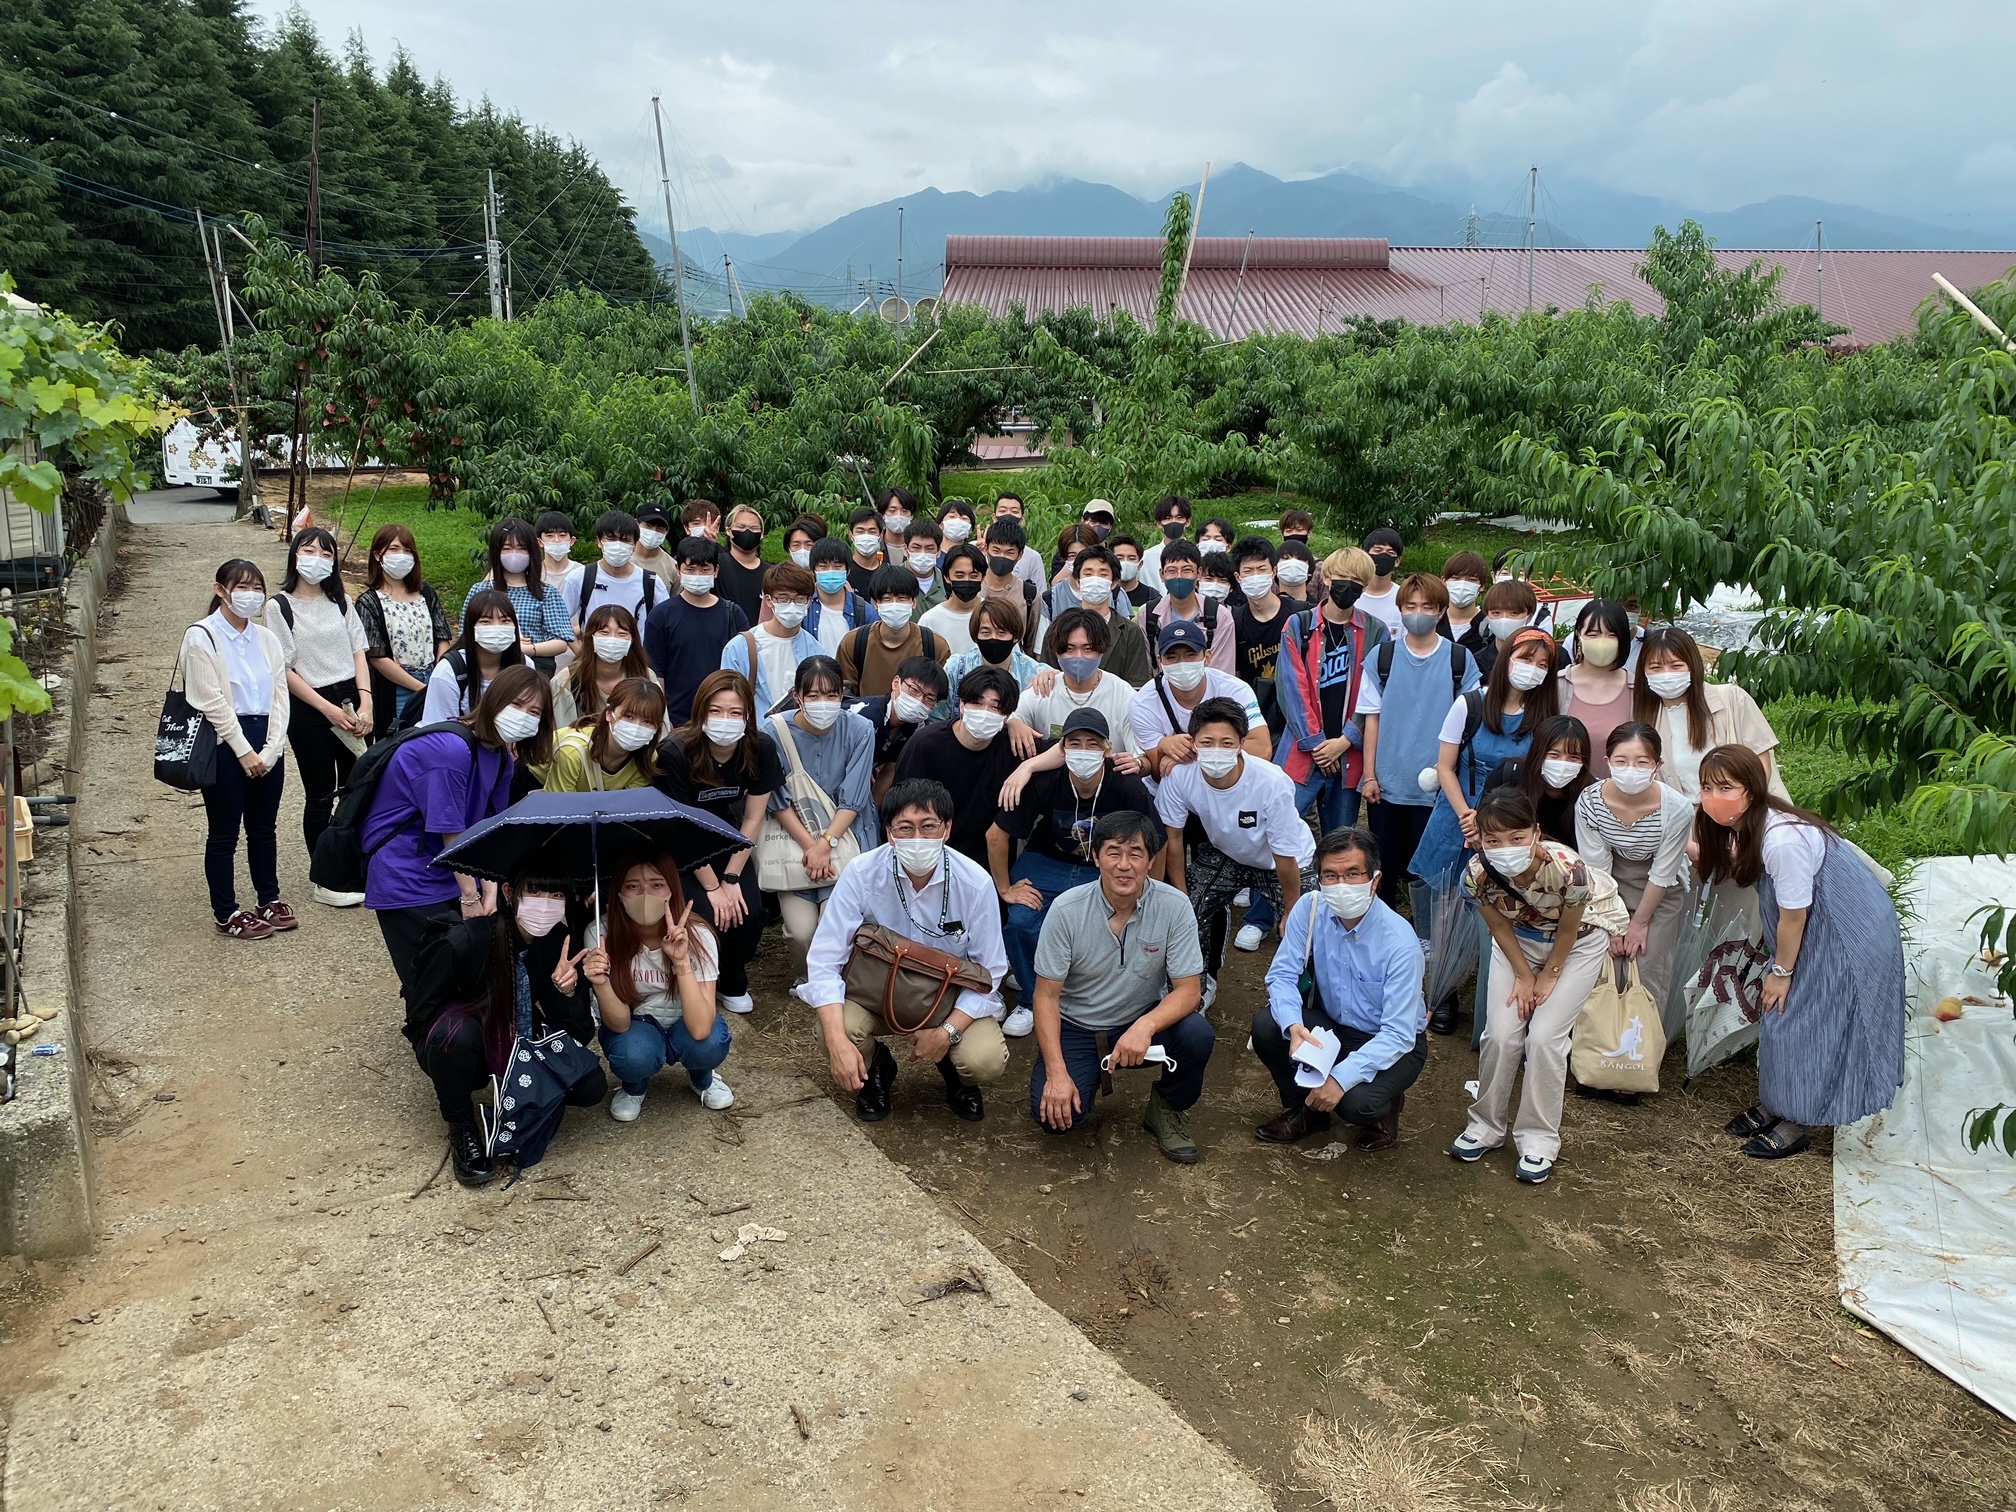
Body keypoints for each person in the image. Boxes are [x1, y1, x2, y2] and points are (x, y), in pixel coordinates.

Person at [1694, 744, 1905, 1160]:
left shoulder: (1782, 839)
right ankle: (1777, 1103)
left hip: (1845, 933)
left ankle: (1798, 1121)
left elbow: (1794, 916)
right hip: (1816, 928)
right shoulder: (1748, 825)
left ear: (1751, 791)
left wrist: (1782, 971)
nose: (1712, 796)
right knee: (1782, 1015)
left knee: (1806, 1018)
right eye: (1705, 786)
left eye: (1725, 786)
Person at [799, 778, 1011, 1121]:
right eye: (905, 827)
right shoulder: (861, 873)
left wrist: (947, 1032)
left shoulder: (975, 883)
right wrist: (838, 1042)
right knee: (833, 1032)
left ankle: (955, 1072)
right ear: (889, 832)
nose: (917, 838)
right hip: (875, 992)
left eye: (929, 827)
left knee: (983, 1061)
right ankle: (877, 1068)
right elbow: (824, 959)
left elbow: (992, 972)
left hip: (947, 999)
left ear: (947, 829)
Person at [1449, 787, 1629, 1184]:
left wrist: (1548, 975)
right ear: (1479, 839)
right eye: (1492, 840)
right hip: (1517, 944)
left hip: (1577, 944)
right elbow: (1497, 926)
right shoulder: (1476, 874)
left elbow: (1569, 929)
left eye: (1516, 838)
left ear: (1536, 833)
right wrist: (1525, 975)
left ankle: (1539, 1140)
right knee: (1500, 1034)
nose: (1505, 848)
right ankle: (1485, 1125)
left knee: (1545, 1038)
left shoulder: (1569, 869)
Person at [401, 867, 606, 1186]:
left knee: (591, 1085)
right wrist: (439, 1055)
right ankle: (461, 1125)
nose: (546, 903)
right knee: (454, 1035)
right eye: (536, 892)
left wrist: (568, 991)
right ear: (510, 892)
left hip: (521, 1036)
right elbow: (421, 1008)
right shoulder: (467, 938)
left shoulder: (557, 943)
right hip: (468, 1039)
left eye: (556, 895)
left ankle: (524, 1102)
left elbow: (576, 1034)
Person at [1030, 810, 1211, 1163]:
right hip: (1077, 1026)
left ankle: (1167, 1106)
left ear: (1151, 859)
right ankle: (1074, 1069)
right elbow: (1046, 995)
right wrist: (1057, 1073)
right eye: (1113, 852)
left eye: (1136, 853)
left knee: (1196, 1033)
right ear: (1096, 857)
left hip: (1136, 1019)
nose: (1124, 865)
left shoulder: (1174, 906)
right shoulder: (1066, 910)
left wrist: (1144, 1026)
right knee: (1056, 1121)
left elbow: (1190, 990)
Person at [364, 666, 555, 1000]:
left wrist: (491, 891)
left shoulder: (501, 757)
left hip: (450, 868)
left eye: (534, 712)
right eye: (517, 704)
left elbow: (489, 830)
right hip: (407, 870)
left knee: (466, 963)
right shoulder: (450, 748)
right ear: (494, 699)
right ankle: (436, 1039)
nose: (523, 716)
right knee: (429, 974)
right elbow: (450, 830)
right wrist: (472, 897)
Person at [1409, 626, 1562, 1035]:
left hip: (1512, 827)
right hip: (1459, 816)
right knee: (1447, 908)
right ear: (1506, 658)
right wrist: (1467, 816)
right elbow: (1445, 765)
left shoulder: (1546, 716)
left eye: (1543, 665)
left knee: (1502, 911)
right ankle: (1441, 993)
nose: (1533, 670)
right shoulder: (1471, 704)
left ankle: (1496, 1000)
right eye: (1525, 659)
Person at [1252, 827, 1428, 1152]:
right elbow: (1281, 975)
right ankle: (1306, 1111)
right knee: (1267, 1027)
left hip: (1390, 1041)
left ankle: (1385, 1108)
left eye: (1352, 874)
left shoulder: (1399, 943)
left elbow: (1400, 1033)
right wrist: (1294, 1026)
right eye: (1330, 875)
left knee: (1355, 1104)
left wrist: (1339, 1079)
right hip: (1332, 1026)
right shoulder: (1311, 907)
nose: (1341, 885)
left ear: (1375, 880)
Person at [991, 708, 1158, 1034]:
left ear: (1107, 748)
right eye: (1075, 743)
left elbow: (1155, 840)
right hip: (1047, 859)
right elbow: (996, 835)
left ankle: (1097, 997)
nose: (1083, 751)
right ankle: (1030, 998)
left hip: (1102, 866)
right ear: (1062, 749)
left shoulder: (1126, 783)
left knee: (1107, 925)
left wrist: (1149, 887)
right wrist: (1004, 889)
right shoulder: (1046, 778)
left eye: (1092, 744)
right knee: (1022, 921)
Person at [1158, 698, 1317, 1001]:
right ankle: (1193, 991)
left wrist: (1291, 909)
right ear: (1192, 742)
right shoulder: (1179, 776)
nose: (1216, 750)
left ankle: (1300, 1000)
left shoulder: (1271, 783)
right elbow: (1173, 840)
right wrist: (1180, 895)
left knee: (1308, 928)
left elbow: (1285, 856)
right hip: (1229, 854)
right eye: (1207, 741)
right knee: (1186, 910)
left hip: (1284, 864)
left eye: (1226, 742)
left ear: (1242, 743)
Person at [1355, 571, 1480, 908]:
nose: (1418, 613)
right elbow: (1372, 719)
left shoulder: (1458, 659)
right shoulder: (1383, 658)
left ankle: (1426, 934)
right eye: (1410, 606)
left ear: (1441, 611)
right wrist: (1369, 775)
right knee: (1384, 863)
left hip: (1437, 785)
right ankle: (1381, 921)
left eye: (1427, 606)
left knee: (1429, 868)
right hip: (1388, 783)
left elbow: (1470, 722)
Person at [182, 558, 292, 940]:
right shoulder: (202, 637)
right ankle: (226, 912)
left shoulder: (267, 638)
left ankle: (268, 897)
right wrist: (244, 750)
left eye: (256, 588)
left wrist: (273, 748)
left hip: (266, 739)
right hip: (224, 740)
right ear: (221, 590)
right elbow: (210, 701)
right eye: (241, 587)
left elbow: (280, 695)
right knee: (224, 832)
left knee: (264, 828)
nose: (250, 595)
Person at [654, 669, 775, 1014]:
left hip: (728, 834)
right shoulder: (676, 752)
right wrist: (712, 886)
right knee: (707, 912)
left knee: (748, 912)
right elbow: (681, 826)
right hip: (681, 839)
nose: (726, 720)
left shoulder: (761, 747)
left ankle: (732, 978)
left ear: (748, 716)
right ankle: (695, 979)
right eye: (716, 711)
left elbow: (753, 818)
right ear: (700, 713)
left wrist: (732, 878)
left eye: (735, 712)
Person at [584, 853, 734, 1120]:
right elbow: (618, 1025)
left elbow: (700, 1028)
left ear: (672, 890)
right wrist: (601, 983)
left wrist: (681, 961)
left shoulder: (699, 935)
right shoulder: (600, 935)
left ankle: (702, 1078)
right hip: (635, 1026)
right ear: (618, 894)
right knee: (631, 1055)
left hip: (686, 1024)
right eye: (632, 886)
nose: (644, 895)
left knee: (709, 1043)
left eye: (656, 884)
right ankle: (634, 1085)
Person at [264, 527, 372, 898]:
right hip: (311, 706)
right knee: (321, 793)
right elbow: (285, 669)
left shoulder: (342, 602)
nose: (318, 559)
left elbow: (359, 651)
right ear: (295, 555)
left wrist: (366, 701)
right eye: (310, 550)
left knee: (358, 787)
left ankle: (354, 865)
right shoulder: (279, 607)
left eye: (327, 554)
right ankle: (324, 878)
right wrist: (327, 710)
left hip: (351, 699)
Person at [1575, 721, 1694, 1038]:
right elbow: (1596, 867)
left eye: (1642, 762)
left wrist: (1638, 923)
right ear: (1607, 761)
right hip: (1608, 884)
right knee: (1605, 962)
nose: (1631, 770)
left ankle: (1638, 1061)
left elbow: (1665, 872)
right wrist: (1612, 923)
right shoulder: (1590, 802)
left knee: (1649, 966)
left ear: (1657, 765)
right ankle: (1599, 1053)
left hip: (1661, 891)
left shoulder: (1678, 809)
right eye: (1622, 761)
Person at [761, 656, 878, 963]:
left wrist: (826, 845)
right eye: (812, 695)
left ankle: (836, 980)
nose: (822, 703)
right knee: (801, 932)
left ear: (843, 695)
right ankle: (806, 977)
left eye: (831, 695)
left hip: (846, 836)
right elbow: (776, 800)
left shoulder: (861, 729)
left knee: (836, 925)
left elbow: (853, 797)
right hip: (793, 840)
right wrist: (812, 848)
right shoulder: (773, 732)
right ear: (796, 695)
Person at [1276, 556, 1387, 834]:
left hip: (1350, 754)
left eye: (1357, 582)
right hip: (1302, 751)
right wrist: (1318, 745)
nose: (1348, 587)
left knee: (1341, 837)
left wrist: (1344, 741)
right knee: (1280, 826)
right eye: (1343, 578)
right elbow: (1291, 689)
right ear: (1327, 578)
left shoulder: (1376, 631)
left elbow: (1376, 694)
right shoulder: (1297, 625)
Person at [893, 664, 1032, 867]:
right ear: (962, 705)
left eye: (995, 707)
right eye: (977, 703)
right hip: (930, 856)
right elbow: (901, 808)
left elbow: (1067, 749)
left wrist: (1028, 766)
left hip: (987, 865)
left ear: (1006, 715)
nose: (985, 713)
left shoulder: (1015, 746)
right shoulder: (925, 745)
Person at [1635, 627, 1782, 801]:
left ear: (1693, 665)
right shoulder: (1646, 721)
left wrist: (1745, 807)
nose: (1666, 675)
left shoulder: (1732, 698)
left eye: (1676, 666)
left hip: (1748, 811)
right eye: (1656, 667)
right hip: (1692, 821)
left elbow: (1760, 758)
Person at [1128, 620, 1268, 781]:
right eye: (1172, 657)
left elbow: (1262, 749)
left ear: (1207, 657)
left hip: (1233, 782)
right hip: (1176, 787)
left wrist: (1192, 751)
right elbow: (1160, 771)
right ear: (1160, 662)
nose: (1181, 664)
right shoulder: (1143, 703)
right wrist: (1162, 747)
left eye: (1191, 655)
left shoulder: (1236, 690)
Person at [354, 522, 451, 738]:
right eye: (394, 549)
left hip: (435, 677)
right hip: (397, 688)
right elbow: (377, 657)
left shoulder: (426, 593)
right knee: (401, 746)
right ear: (379, 555)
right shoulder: (369, 602)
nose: (402, 555)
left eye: (408, 551)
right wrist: (420, 689)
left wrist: (438, 678)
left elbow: (442, 637)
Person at [643, 537, 752, 726]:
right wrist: (661, 719)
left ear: (716, 571)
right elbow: (655, 673)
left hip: (723, 719)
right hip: (677, 719)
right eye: (690, 570)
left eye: (705, 570)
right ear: (678, 570)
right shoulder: (661, 615)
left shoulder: (733, 614)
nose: (698, 575)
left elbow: (745, 670)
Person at [1014, 609, 1143, 752]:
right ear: (1057, 651)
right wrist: (1013, 723)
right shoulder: (1042, 690)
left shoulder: (1123, 695)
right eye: (1070, 649)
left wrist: (1138, 763)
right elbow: (1009, 717)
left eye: (1087, 649)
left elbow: (1140, 756)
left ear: (1102, 650)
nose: (1078, 656)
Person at [461, 517, 572, 674]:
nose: (514, 554)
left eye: (521, 548)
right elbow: (464, 636)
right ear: (496, 552)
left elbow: (561, 642)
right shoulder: (480, 590)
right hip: (486, 670)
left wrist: (528, 649)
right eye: (507, 548)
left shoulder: (546, 593)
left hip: (531, 673)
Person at [720, 561, 820, 717]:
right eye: (783, 598)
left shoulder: (817, 650)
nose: (792, 605)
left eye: (800, 599)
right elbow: (727, 701)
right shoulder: (740, 648)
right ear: (768, 600)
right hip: (757, 735)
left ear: (808, 602)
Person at [1483, 714, 1594, 847]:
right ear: (1538, 752)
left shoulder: (1590, 794)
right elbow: (1486, 826)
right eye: (1554, 755)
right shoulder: (1509, 774)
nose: (1563, 763)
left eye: (1573, 757)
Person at [838, 564, 949, 695]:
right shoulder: (854, 643)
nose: (894, 604)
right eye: (887, 599)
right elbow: (845, 695)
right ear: (876, 603)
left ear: (914, 602)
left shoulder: (935, 645)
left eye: (902, 598)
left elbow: (941, 698)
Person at [544, 678, 667, 791]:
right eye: (628, 716)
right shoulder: (571, 752)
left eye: (648, 721)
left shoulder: (647, 758)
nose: (637, 727)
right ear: (609, 714)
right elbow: (558, 807)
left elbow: (624, 806)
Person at [1051, 546, 1151, 685]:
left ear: (1114, 582)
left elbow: (1137, 683)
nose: (1095, 580)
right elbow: (1047, 675)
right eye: (1088, 574)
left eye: (1103, 574)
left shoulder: (1130, 633)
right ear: (1078, 581)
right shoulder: (1058, 629)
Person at [422, 588, 524, 723]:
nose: (496, 627)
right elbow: (440, 730)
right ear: (471, 627)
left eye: (505, 620)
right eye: (486, 621)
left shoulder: (524, 665)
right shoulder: (449, 671)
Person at [1561, 599, 1636, 776]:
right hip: (1563, 795)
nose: (1602, 642)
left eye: (1611, 635)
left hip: (1618, 795)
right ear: (1578, 634)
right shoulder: (1558, 685)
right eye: (1593, 634)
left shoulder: (1637, 689)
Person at [551, 604, 656, 728]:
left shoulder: (646, 676)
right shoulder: (566, 682)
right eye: (604, 632)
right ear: (591, 637)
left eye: (622, 634)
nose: (612, 639)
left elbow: (659, 728)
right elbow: (564, 735)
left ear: (632, 640)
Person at [1230, 536, 1291, 739]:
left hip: (1292, 717)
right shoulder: (1234, 621)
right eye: (1248, 571)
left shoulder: (1298, 615)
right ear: (1238, 577)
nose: (1255, 576)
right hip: (1253, 719)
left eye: (1261, 569)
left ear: (1274, 572)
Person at [1143, 541, 1234, 672]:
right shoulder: (1147, 615)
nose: (1179, 577)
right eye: (1171, 571)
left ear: (1199, 573)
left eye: (1187, 570)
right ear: (1162, 574)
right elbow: (1148, 670)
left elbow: (1223, 674)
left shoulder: (1220, 616)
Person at [575, 509, 662, 629]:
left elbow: (666, 625)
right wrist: (580, 648)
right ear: (599, 542)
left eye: (625, 540)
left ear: (635, 544)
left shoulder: (651, 582)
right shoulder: (580, 578)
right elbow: (560, 624)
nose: (618, 545)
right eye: (611, 539)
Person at [943, 595, 1045, 694]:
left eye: (1001, 633)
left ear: (1015, 637)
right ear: (975, 636)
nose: (994, 638)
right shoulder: (956, 669)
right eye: (986, 633)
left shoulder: (1036, 674)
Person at [979, 517, 1045, 653]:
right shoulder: (973, 588)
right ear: (986, 549)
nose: (1002, 557)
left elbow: (1030, 644)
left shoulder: (1029, 595)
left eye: (1009, 552)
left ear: (1020, 554)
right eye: (996, 551)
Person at [805, 536, 879, 654]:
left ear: (848, 570)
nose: (830, 571)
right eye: (823, 567)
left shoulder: (864, 611)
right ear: (814, 570)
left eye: (837, 567)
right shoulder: (803, 609)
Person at [918, 543, 985, 656]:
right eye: (959, 576)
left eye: (973, 576)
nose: (966, 580)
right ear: (947, 577)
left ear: (983, 577)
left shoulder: (996, 615)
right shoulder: (929, 620)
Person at [1474, 577, 1542, 681]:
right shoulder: (1476, 663)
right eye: (1496, 613)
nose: (1504, 619)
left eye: (1514, 613)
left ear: (1530, 616)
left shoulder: (1551, 657)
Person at [534, 511, 586, 642]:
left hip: (580, 655)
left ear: (572, 540)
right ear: (540, 542)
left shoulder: (584, 573)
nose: (556, 540)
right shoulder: (531, 575)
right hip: (541, 653)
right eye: (550, 536)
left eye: (562, 535)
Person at [715, 503, 770, 623]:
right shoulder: (716, 565)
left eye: (754, 528)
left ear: (761, 534)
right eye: (741, 527)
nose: (747, 531)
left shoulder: (772, 573)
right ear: (728, 531)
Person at [988, 492, 1048, 594]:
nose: (1008, 515)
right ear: (994, 517)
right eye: (1003, 510)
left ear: (1022, 519)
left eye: (1014, 511)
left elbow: (1040, 594)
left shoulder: (1033, 557)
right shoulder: (976, 548)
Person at [1437, 550, 1489, 658]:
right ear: (1444, 581)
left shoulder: (1489, 627)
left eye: (1471, 580)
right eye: (1456, 578)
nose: (1462, 584)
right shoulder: (1431, 621)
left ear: (1482, 586)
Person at [1355, 527, 1406, 637]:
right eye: (1378, 550)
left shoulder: (1404, 597)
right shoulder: (1352, 594)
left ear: (1397, 561)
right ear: (1365, 554)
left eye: (1390, 552)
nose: (1383, 556)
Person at [1137, 494, 1191, 595]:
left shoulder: (1198, 556)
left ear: (1188, 522)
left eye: (1179, 518)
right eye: (1168, 518)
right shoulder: (1145, 558)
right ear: (1159, 524)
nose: (1174, 522)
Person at [903, 516, 946, 613]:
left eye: (929, 548)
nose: (923, 553)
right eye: (916, 548)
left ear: (938, 551)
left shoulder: (947, 582)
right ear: (905, 550)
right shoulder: (892, 581)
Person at [1110, 533, 1160, 614]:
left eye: (1131, 558)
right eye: (1119, 558)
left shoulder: (1153, 597)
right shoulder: (1102, 594)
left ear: (1140, 565)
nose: (1125, 562)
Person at [844, 505, 886, 596]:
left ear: (881, 535)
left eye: (872, 532)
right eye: (860, 531)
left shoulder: (888, 572)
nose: (866, 536)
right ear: (851, 535)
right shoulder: (844, 572)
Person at [1275, 540, 1317, 614]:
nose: (1293, 563)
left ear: (1309, 570)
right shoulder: (1267, 609)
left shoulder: (1318, 609)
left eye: (1300, 559)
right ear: (1275, 569)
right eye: (1285, 558)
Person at [876, 487, 916, 561]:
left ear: (911, 516)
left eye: (904, 511)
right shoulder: (874, 547)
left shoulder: (918, 548)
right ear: (883, 515)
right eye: (892, 510)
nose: (898, 516)